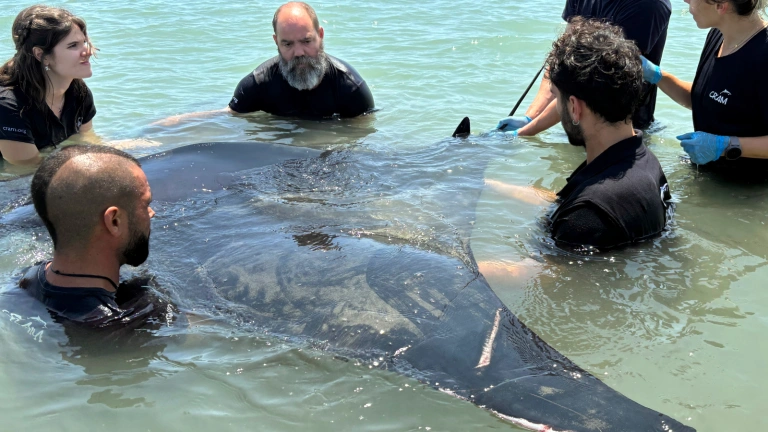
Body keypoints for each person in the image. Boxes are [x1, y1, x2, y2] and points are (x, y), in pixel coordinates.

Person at [487, 18, 672, 250]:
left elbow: (546, 269)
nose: (557, 107)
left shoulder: (586, 218)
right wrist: (487, 185)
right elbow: (565, 203)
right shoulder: (642, 162)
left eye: (556, 98)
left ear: (575, 107)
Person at [156, 2, 374, 126]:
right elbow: (228, 116)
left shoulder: (350, 88)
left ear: (321, 35)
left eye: (306, 41)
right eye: (287, 44)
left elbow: (362, 136)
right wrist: (174, 124)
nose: (299, 52)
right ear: (276, 42)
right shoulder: (258, 83)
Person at [18, 145, 161, 327]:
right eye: (145, 204)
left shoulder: (27, 278)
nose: (151, 213)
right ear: (114, 221)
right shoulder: (119, 325)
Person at [498, 0, 672, 136]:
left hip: (623, 130)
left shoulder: (648, 4)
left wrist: (526, 132)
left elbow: (589, 83)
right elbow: (562, 62)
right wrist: (530, 117)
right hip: (576, 121)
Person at [641, 0, 768, 175]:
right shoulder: (718, 34)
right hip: (708, 174)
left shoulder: (764, 55)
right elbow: (709, 99)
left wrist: (725, 146)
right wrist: (658, 76)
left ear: (721, 5)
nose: (685, 0)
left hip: (747, 187)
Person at [0, 6, 97, 165]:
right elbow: (24, 169)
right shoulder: (8, 106)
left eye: (84, 42)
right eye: (73, 45)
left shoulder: (78, 92)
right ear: (42, 55)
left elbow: (85, 140)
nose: (88, 51)